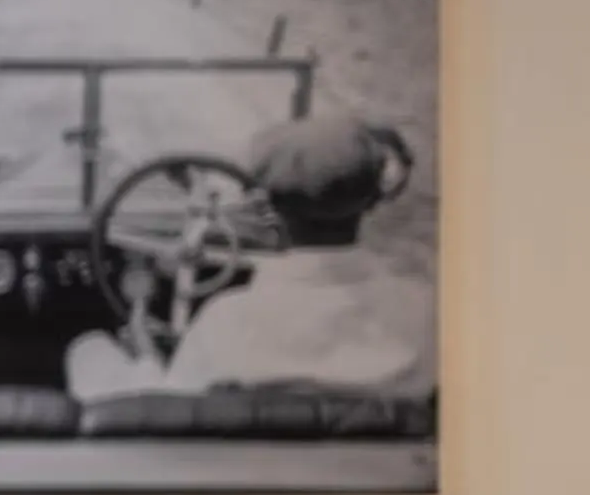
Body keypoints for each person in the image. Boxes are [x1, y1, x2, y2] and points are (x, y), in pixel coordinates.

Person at [65, 111, 434, 402]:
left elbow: (167, 406)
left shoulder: (229, 323)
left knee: (87, 351)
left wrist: (147, 356)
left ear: (269, 212)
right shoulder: (423, 310)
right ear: (369, 203)